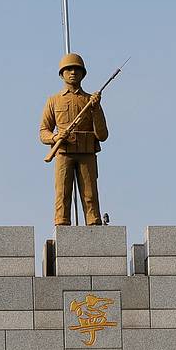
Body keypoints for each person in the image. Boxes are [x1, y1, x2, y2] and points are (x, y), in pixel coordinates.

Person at [40, 53, 108, 226]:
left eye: (77, 69)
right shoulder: (53, 101)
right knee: (62, 193)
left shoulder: (90, 101)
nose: (72, 72)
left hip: (87, 151)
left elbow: (102, 135)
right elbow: (43, 132)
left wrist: (96, 108)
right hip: (64, 152)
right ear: (62, 74)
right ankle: (61, 223)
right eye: (68, 69)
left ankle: (93, 222)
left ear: (83, 74)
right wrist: (55, 137)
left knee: (90, 193)